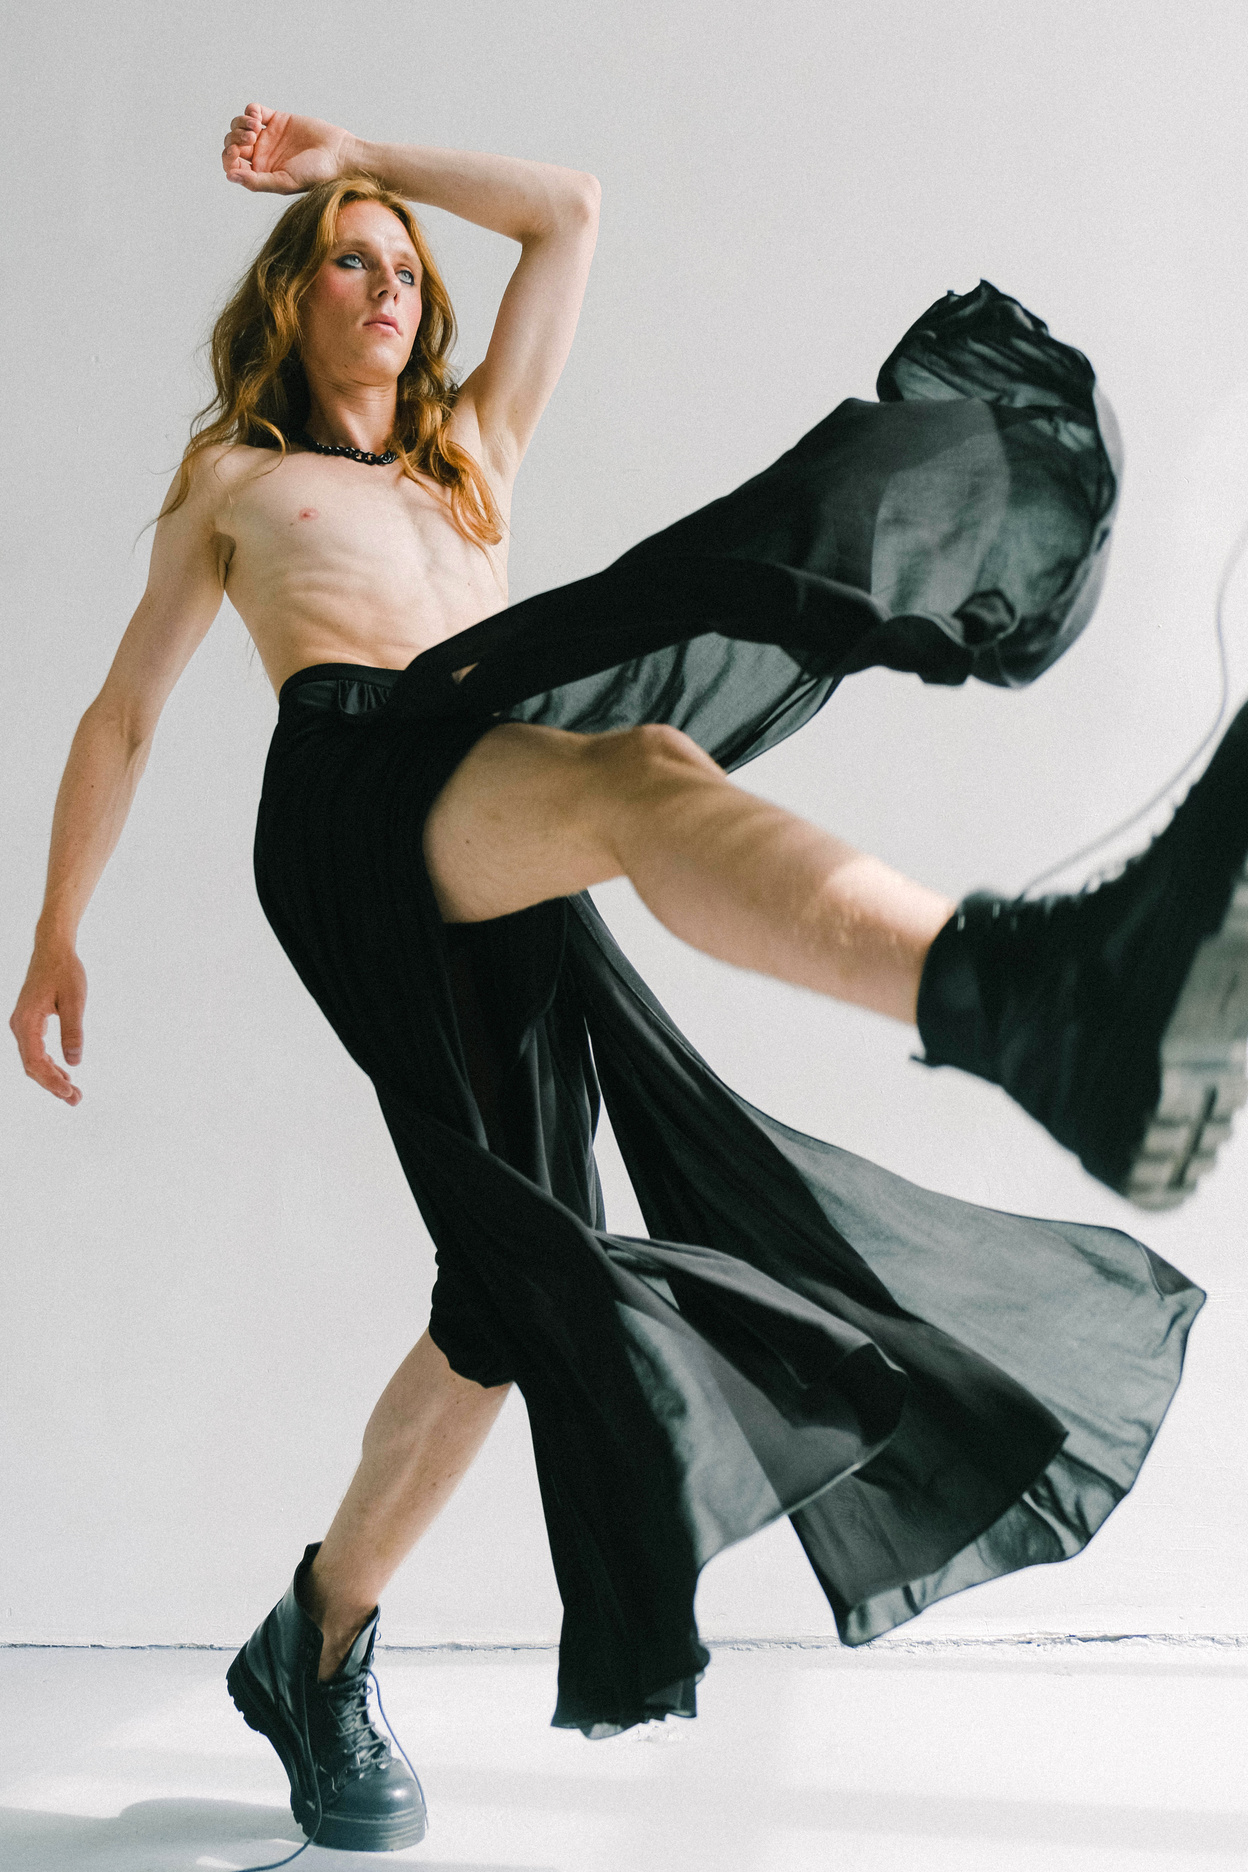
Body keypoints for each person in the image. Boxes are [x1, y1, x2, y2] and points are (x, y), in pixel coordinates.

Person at [9, 102, 1247, 1855]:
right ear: (288, 303)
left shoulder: (470, 464)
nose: (384, 284)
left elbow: (571, 213)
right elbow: (126, 710)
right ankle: (1034, 998)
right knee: (649, 774)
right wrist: (59, 928)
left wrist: (364, 149)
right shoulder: (236, 482)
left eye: (402, 267)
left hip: (485, 798)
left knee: (515, 1292)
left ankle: (315, 1640)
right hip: (353, 792)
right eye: (346, 259)